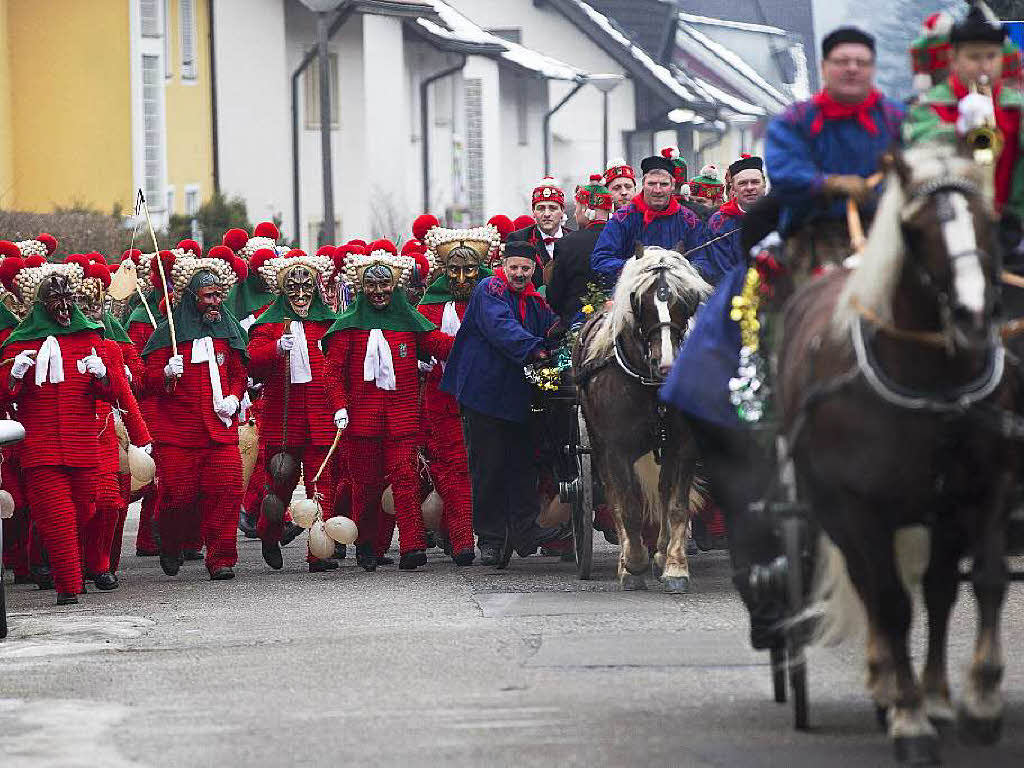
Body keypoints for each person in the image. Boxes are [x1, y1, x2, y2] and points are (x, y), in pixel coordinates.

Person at [322, 240, 453, 572]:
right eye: (371, 285)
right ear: (361, 287)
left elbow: (437, 343)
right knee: (365, 487)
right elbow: (332, 372)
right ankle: (367, 544)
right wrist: (339, 406)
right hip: (361, 421)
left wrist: (474, 339)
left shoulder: (408, 320)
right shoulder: (348, 326)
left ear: (395, 286)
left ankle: (411, 546)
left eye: (384, 284)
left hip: (403, 418)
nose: (378, 291)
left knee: (406, 480)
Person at [1, 255, 117, 605]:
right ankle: (69, 587)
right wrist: (14, 376)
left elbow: (111, 394)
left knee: (85, 509)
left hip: (82, 445)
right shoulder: (19, 344)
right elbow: (6, 396)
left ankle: (50, 548)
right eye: (57, 301)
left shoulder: (89, 340)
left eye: (70, 300)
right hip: (41, 447)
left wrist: (103, 375)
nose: (65, 307)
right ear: (42, 305)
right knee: (60, 517)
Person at [440, 241, 564, 567]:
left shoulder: (535, 301)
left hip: (518, 394)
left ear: (534, 270)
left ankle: (525, 531)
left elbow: (552, 327)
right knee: (489, 467)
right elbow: (501, 327)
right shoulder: (489, 289)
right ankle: (491, 539)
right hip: (484, 393)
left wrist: (568, 330)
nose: (520, 274)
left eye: (526, 269)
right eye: (515, 268)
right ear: (503, 265)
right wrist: (536, 348)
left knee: (523, 465)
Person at [142, 246, 249, 581]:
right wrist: (166, 375)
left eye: (219, 295)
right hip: (179, 433)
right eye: (208, 296)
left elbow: (237, 372)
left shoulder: (227, 330)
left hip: (220, 430)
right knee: (179, 496)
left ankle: (221, 558)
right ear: (191, 297)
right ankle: (170, 541)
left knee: (228, 491)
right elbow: (147, 381)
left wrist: (233, 397)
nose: (215, 302)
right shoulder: (169, 334)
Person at [765, 26, 905, 275]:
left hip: (890, 232)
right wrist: (829, 184)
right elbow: (784, 172)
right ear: (824, 66)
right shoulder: (795, 119)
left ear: (872, 69)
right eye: (842, 61)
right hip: (813, 233)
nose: (852, 68)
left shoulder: (898, 118)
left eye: (861, 62)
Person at [246, 248, 340, 572]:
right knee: (280, 485)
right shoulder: (269, 324)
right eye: (294, 289)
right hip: (282, 419)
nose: (301, 295)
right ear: (283, 290)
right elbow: (252, 364)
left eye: (306, 288)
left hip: (320, 416)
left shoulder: (328, 324)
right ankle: (268, 534)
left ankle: (319, 551)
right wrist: (274, 348)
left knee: (321, 484)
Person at [416, 223, 504, 565]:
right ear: (444, 271)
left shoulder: (491, 298)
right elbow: (424, 335)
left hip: (484, 393)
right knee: (451, 466)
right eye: (455, 271)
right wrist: (459, 347)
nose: (463, 278)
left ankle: (476, 534)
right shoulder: (432, 304)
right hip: (441, 395)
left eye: (470, 270)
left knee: (481, 463)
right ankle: (461, 537)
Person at [72, 253, 151, 590]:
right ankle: (68, 562)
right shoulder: (56, 344)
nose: (91, 313)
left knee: (109, 502)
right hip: (71, 432)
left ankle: (102, 563)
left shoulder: (110, 347)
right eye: (84, 305)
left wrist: (140, 434)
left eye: (96, 305)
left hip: (106, 430)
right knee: (77, 504)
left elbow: (123, 394)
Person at [904, 1, 1024, 220]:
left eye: (991, 56)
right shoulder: (929, 106)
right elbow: (922, 151)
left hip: (1012, 223)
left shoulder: (1017, 107)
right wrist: (960, 130)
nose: (985, 66)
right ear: (953, 59)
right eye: (974, 57)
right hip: (951, 225)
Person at [591, 154, 708, 289]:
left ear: (672, 186)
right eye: (651, 184)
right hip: (631, 293)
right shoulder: (622, 219)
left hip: (679, 293)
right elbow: (601, 259)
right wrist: (637, 267)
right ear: (643, 184)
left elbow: (703, 261)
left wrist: (679, 270)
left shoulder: (689, 220)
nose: (657, 190)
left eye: (664, 184)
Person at [547, 174, 612, 324]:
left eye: (577, 208)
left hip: (578, 328)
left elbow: (554, 297)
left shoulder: (567, 244)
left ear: (586, 209)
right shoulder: (626, 240)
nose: (575, 213)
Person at [699, 156, 768, 286]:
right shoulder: (719, 222)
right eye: (742, 183)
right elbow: (722, 268)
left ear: (764, 185)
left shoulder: (779, 216)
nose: (749, 188)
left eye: (755, 182)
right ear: (734, 190)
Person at [506, 177, 569, 286]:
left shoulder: (574, 239)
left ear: (562, 211)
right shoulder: (519, 238)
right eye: (541, 208)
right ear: (533, 212)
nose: (547, 214)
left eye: (553, 208)